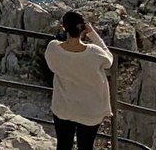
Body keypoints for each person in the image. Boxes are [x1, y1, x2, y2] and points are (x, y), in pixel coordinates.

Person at [45, 10, 114, 150]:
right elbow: (109, 61)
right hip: (90, 110)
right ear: (83, 28)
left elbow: (52, 62)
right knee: (86, 147)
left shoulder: (53, 48)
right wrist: (93, 34)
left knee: (63, 145)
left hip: (64, 107)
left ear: (63, 27)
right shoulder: (94, 52)